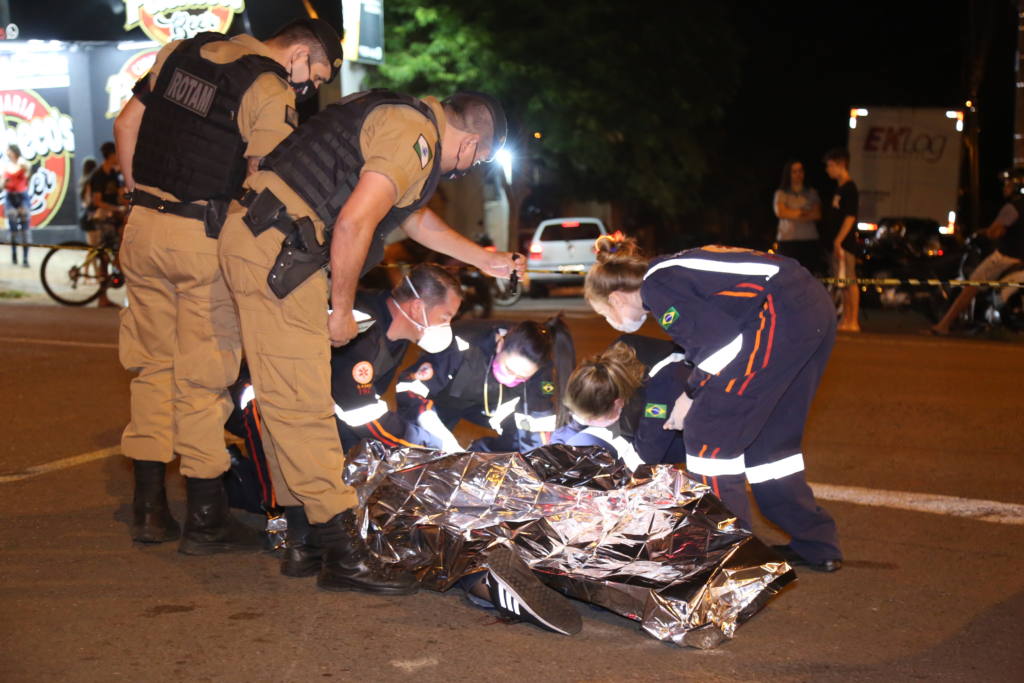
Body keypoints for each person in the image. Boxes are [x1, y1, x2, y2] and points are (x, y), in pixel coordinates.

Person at [217, 89, 524, 593]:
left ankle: (303, 540)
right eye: (475, 161)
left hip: (261, 236)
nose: (464, 169)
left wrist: (485, 260)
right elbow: (357, 220)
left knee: (282, 395)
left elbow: (411, 218)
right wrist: (340, 309)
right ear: (469, 144)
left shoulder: (403, 117)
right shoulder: (415, 137)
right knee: (304, 400)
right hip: (280, 248)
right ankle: (342, 552)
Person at [112, 18, 343, 556]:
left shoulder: (177, 52)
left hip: (142, 228)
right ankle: (205, 517)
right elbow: (266, 179)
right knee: (203, 376)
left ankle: (149, 509)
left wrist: (140, 199)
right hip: (203, 238)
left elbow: (127, 126)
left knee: (150, 365)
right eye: (317, 75)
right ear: (301, 55)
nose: (310, 88)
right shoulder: (268, 87)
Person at [583, 237, 843, 572]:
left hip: (781, 312)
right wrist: (694, 389)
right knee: (770, 443)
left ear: (616, 297)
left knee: (709, 437)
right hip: (808, 308)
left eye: (606, 313)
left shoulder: (656, 288)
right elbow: (717, 338)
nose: (611, 322)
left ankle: (729, 559)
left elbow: (721, 346)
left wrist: (689, 396)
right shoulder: (667, 271)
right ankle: (817, 545)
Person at [224, 264, 463, 576]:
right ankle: (242, 488)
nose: (447, 326)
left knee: (342, 475)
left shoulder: (394, 332)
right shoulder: (362, 327)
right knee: (297, 482)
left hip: (313, 408)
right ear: (417, 307)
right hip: (260, 405)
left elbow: (359, 408)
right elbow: (363, 416)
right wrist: (432, 444)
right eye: (445, 317)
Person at [396, 318, 575, 454]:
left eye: (520, 377)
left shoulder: (540, 368)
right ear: (500, 345)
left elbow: (537, 425)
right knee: (424, 447)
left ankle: (480, 454)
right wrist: (436, 431)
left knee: (521, 443)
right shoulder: (461, 344)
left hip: (492, 407)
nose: (511, 377)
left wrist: (535, 461)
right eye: (508, 369)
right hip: (443, 400)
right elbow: (410, 388)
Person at [554, 335, 690, 468]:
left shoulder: (664, 385)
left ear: (617, 402)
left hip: (684, 434)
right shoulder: (606, 370)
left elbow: (647, 456)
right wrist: (557, 446)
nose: (586, 422)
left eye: (592, 419)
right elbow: (581, 414)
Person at [931, 169, 1024, 335]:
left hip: (1006, 257)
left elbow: (995, 232)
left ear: (1017, 185)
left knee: (970, 287)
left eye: (1008, 184)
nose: (1005, 187)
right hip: (1021, 260)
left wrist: (987, 232)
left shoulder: (1012, 207)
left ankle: (944, 325)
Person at [822, 147, 861, 332]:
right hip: (839, 244)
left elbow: (850, 217)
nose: (827, 169)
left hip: (845, 245)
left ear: (841, 164)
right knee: (843, 282)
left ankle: (853, 321)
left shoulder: (850, 188)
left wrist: (838, 241)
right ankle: (846, 319)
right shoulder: (840, 187)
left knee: (850, 282)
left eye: (830, 165)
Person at [87, 142, 128, 307]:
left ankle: (117, 270)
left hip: (114, 216)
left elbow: (120, 196)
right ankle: (102, 297)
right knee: (104, 256)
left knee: (121, 245)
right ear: (111, 155)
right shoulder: (99, 175)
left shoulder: (115, 174)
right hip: (102, 217)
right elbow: (97, 201)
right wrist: (116, 207)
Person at [773, 160, 822, 275]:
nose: (798, 174)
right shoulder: (781, 193)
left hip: (809, 241)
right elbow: (781, 213)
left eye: (800, 171)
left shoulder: (812, 193)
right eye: (794, 171)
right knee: (787, 275)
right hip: (787, 241)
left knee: (808, 276)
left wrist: (791, 212)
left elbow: (817, 214)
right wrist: (803, 212)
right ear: (788, 174)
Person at [3, 144, 32, 267]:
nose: (8, 153)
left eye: (9, 151)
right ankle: (14, 254)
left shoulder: (23, 164)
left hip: (22, 197)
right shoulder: (5, 166)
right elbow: (2, 184)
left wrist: (19, 160)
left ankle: (25, 259)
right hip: (10, 197)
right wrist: (3, 183)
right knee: (13, 228)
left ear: (14, 151)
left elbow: (27, 169)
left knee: (25, 229)